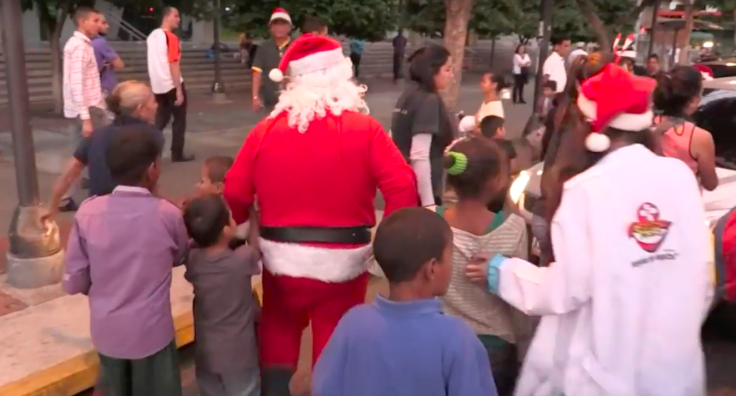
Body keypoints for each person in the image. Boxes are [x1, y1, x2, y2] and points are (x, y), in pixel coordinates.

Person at [477, 63, 712, 396]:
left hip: (603, 377)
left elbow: (566, 288)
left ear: (591, 129)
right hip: (676, 371)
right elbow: (702, 275)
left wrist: (503, 272)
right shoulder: (680, 177)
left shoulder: (586, 190)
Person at [223, 34, 418, 396]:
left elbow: (234, 190)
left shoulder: (264, 132)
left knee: (279, 329)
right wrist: (387, 249)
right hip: (345, 261)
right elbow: (403, 186)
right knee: (335, 336)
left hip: (279, 257)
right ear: (341, 78)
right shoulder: (366, 130)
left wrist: (238, 230)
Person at [312, 207, 498, 396]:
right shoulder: (457, 338)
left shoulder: (353, 323)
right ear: (431, 269)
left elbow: (323, 387)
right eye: (449, 257)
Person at [63, 124, 188, 396]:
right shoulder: (168, 214)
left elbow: (74, 282)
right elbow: (179, 255)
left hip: (108, 334)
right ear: (152, 169)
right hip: (152, 334)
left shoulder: (87, 212)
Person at [437, 137, 529, 396]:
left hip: (442, 340)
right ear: (496, 181)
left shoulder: (431, 222)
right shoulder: (514, 229)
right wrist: (524, 345)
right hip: (496, 346)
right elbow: (518, 295)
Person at [47, 80, 163, 217]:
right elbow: (152, 180)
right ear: (141, 109)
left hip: (97, 213)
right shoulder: (151, 136)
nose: (156, 106)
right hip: (135, 213)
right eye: (153, 101)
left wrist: (51, 208)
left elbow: (68, 175)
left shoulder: (97, 136)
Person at [183, 195, 261, 396]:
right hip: (239, 354)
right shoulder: (242, 259)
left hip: (206, 353)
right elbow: (255, 246)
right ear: (227, 229)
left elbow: (191, 245)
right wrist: (253, 214)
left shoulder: (193, 260)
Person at [391, 45, 457, 208]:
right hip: (421, 192)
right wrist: (429, 204)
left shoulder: (407, 94)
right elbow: (419, 155)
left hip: (403, 185)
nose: (452, 75)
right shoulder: (429, 100)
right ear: (432, 70)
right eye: (447, 70)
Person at [61, 7, 107, 212]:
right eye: (95, 20)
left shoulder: (79, 45)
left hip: (84, 109)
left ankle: (65, 196)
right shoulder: (80, 47)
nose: (99, 25)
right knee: (101, 152)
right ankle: (100, 196)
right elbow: (76, 83)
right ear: (83, 22)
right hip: (89, 109)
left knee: (78, 155)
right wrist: (86, 117)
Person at [653, 65, 718, 191]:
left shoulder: (647, 126)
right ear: (693, 100)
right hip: (684, 205)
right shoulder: (700, 137)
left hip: (649, 204)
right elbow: (710, 184)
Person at [147, 6, 194, 162]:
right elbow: (173, 64)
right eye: (176, 16)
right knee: (179, 119)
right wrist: (179, 89)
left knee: (161, 119)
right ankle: (177, 152)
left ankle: (150, 152)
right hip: (171, 84)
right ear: (167, 17)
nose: (178, 19)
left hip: (158, 86)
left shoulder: (152, 36)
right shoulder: (171, 38)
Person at [251, 8, 292, 112]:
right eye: (276, 24)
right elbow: (257, 72)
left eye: (283, 24)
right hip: (271, 101)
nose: (279, 28)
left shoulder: (296, 46)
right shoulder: (264, 47)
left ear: (289, 27)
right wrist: (255, 97)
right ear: (271, 28)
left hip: (294, 101)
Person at [92, 14, 124, 97]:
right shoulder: (100, 42)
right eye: (103, 23)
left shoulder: (86, 42)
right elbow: (119, 64)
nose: (107, 26)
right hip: (105, 87)